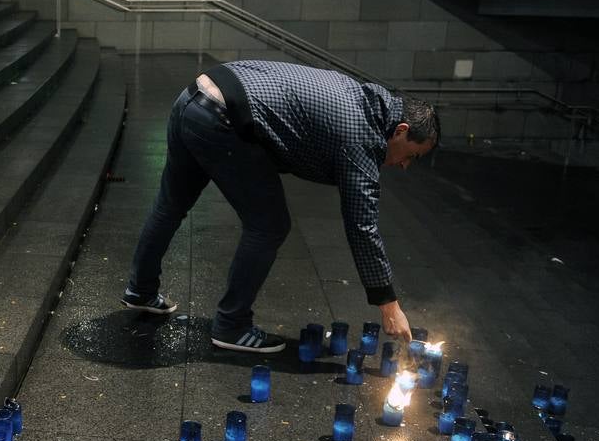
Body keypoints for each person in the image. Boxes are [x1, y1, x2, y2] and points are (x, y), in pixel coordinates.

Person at [122, 60, 439, 353]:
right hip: (222, 118)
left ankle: (140, 290)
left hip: (192, 98)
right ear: (401, 131)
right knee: (268, 225)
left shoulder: (367, 100)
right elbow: (362, 226)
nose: (404, 166)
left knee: (171, 204)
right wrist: (389, 305)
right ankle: (230, 326)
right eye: (412, 155)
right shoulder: (362, 135)